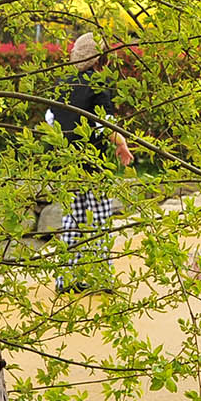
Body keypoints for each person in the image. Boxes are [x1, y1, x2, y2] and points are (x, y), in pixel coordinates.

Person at [49, 33, 133, 293]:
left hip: (67, 165)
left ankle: (66, 279)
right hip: (94, 166)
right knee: (99, 220)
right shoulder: (98, 86)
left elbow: (51, 119)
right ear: (101, 61)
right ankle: (101, 278)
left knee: (71, 221)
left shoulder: (62, 85)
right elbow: (103, 122)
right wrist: (122, 144)